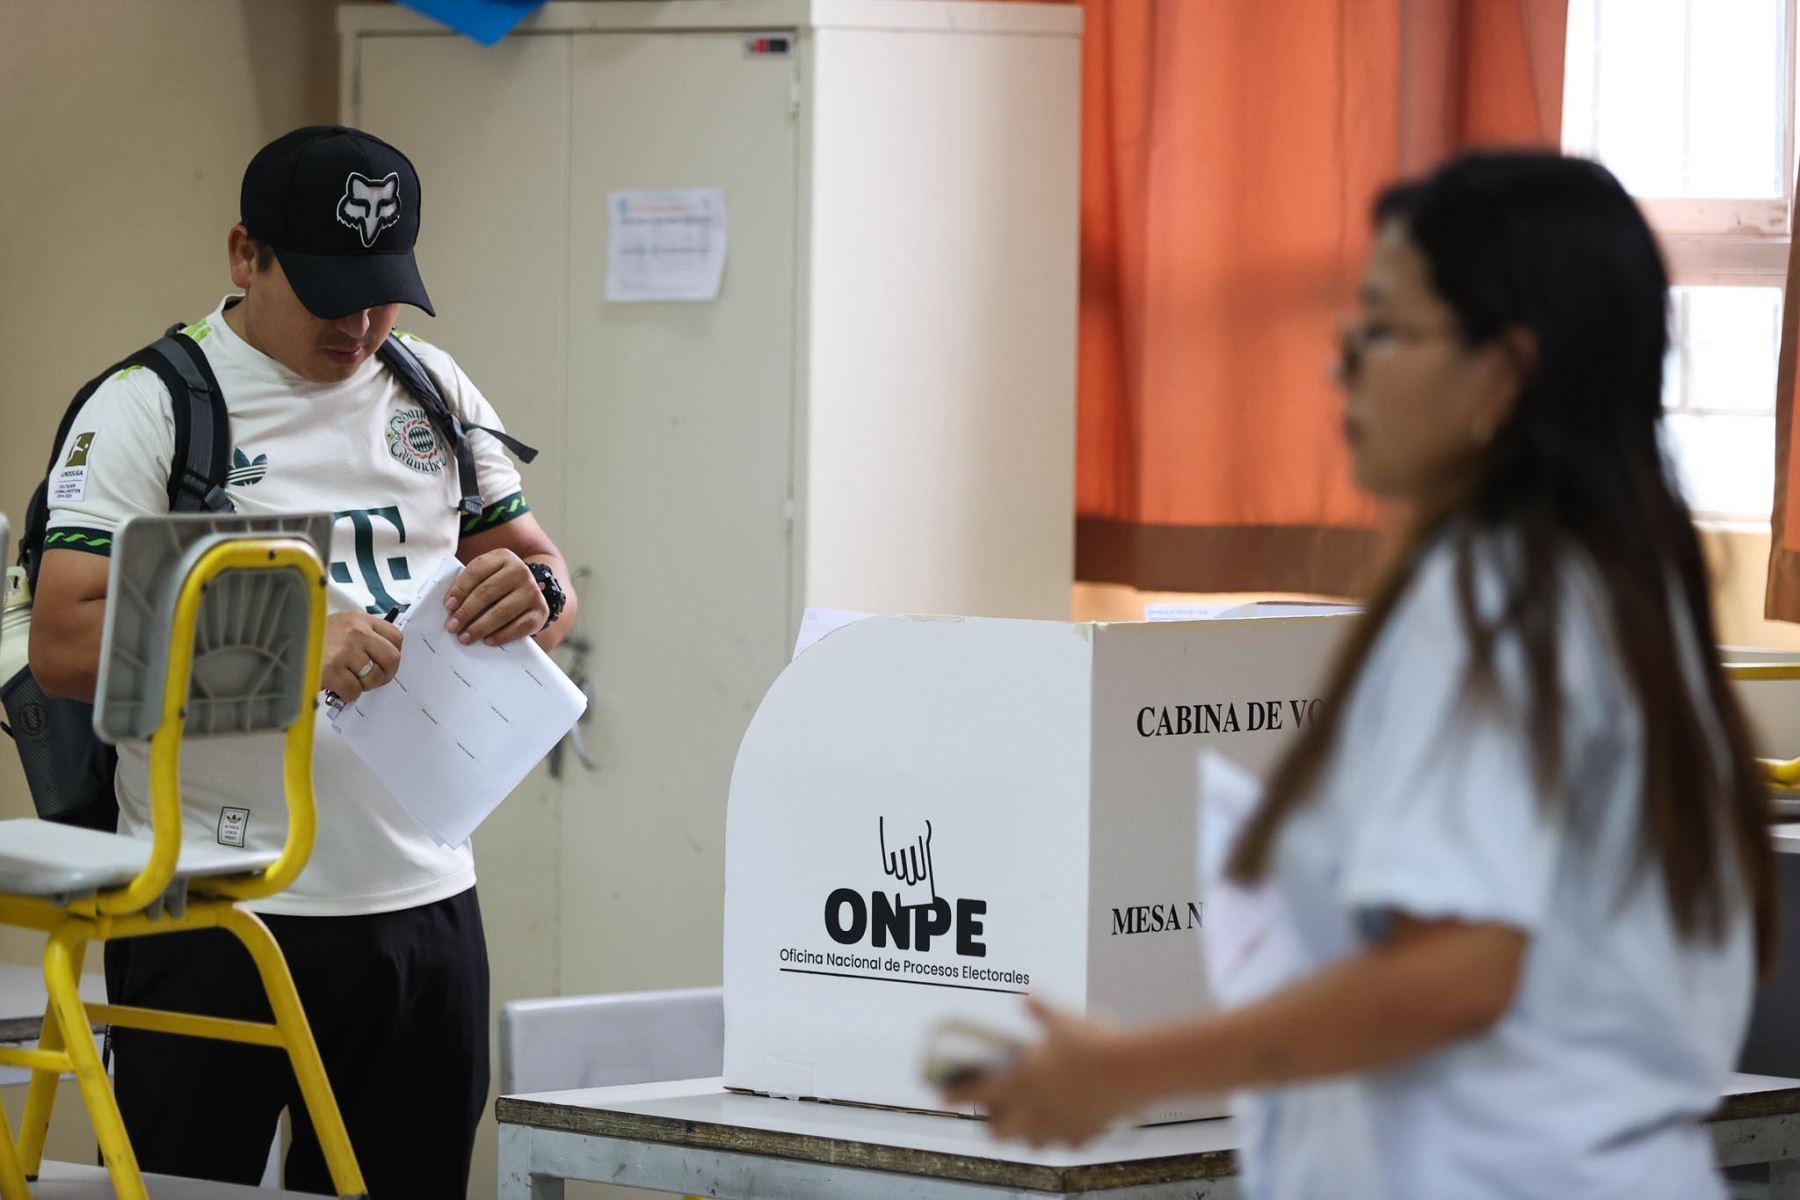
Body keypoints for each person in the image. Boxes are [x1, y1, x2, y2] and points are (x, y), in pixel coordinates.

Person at [946, 151, 1776, 1200]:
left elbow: (1458, 973)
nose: (1340, 369)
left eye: (1384, 330)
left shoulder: (1494, 598)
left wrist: (1123, 1071)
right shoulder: (1613, 585)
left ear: (1504, 372)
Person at [29, 125, 578, 1197]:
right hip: (212, 907)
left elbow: (538, 562)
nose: (359, 324)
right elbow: (61, 642)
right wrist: (281, 642)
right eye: (329, 292)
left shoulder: (433, 387)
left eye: (382, 295)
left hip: (423, 903)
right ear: (247, 255)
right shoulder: (154, 403)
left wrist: (539, 593)